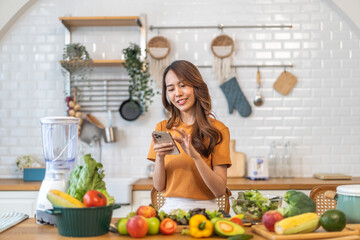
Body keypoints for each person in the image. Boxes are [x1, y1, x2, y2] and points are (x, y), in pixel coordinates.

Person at [147, 60, 231, 213]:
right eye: (171, 88)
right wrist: (159, 157)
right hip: (170, 211)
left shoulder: (218, 130)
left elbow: (219, 190)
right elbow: (159, 187)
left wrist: (195, 156)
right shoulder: (162, 128)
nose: (177, 93)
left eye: (183, 85)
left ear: (196, 86)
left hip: (207, 212)